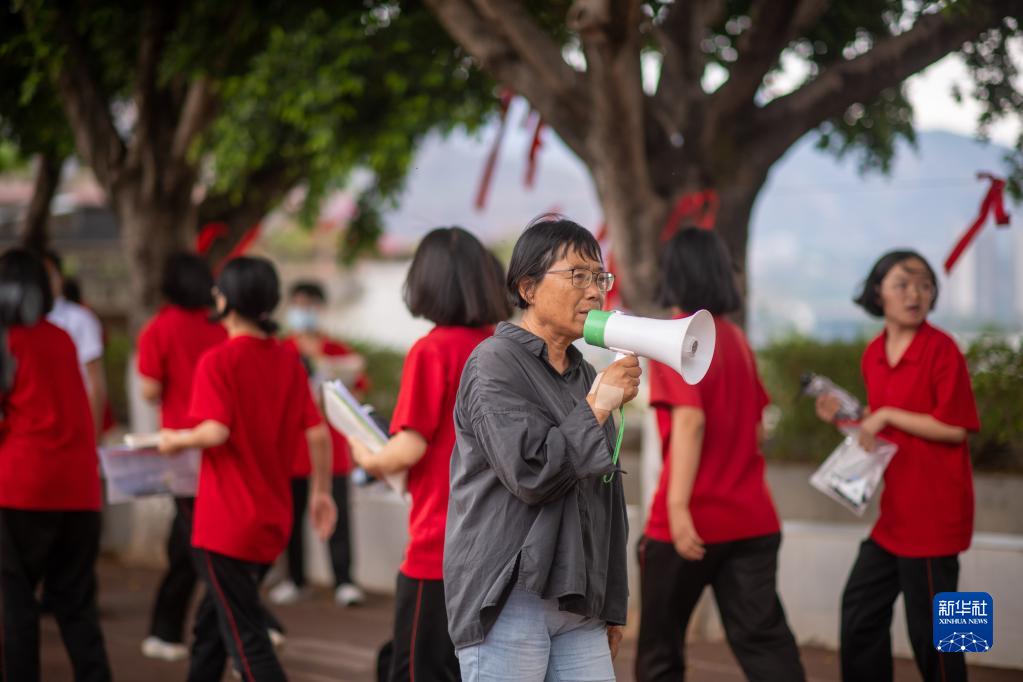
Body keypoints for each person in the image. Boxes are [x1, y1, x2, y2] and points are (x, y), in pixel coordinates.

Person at [443, 216, 637, 681]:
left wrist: (613, 602)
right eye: (578, 276)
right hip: (508, 596)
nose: (594, 292)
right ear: (527, 288)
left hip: (577, 597)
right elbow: (530, 473)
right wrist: (596, 408)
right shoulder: (493, 362)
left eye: (600, 277)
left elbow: (605, 497)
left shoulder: (584, 375)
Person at [634, 228, 805, 681]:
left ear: (673, 273)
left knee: (660, 653)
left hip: (688, 523)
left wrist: (676, 507)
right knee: (765, 644)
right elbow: (757, 426)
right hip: (752, 520)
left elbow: (691, 421)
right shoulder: (735, 339)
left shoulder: (677, 337)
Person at [159, 256, 337, 682]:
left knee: (247, 642)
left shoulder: (218, 360)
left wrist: (173, 439)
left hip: (225, 525)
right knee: (212, 629)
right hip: (271, 521)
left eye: (219, 290)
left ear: (229, 300)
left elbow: (215, 431)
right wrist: (321, 493)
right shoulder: (288, 361)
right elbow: (317, 434)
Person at [348, 226, 510, 682]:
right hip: (497, 548)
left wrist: (367, 457)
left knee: (417, 670)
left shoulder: (431, 351)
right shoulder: (500, 349)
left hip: (439, 544)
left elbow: (408, 447)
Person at [816, 250, 978, 682]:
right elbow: (882, 428)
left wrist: (884, 415)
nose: (916, 293)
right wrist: (846, 418)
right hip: (897, 516)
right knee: (860, 609)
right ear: (877, 293)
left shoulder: (943, 349)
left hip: (938, 514)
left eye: (925, 285)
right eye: (902, 284)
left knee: (943, 638)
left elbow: (955, 427)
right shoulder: (873, 354)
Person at [0, 248, 112, 682]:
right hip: (79, 490)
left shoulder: (7, 338)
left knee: (16, 602)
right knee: (76, 604)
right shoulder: (62, 336)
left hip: (23, 486)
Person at [137, 253, 228, 661]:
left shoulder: (160, 327)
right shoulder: (221, 327)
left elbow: (150, 390)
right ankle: (172, 629)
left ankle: (170, 630)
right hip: (220, 447)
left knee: (192, 539)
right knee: (191, 538)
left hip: (178, 445)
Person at [270, 280, 366, 608]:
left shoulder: (338, 351)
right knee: (292, 517)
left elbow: (358, 389)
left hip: (333, 451)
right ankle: (295, 579)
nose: (305, 310)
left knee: (337, 516)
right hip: (292, 451)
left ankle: (345, 581)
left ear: (322, 309)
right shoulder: (280, 350)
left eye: (311, 304)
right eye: (299, 304)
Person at [41, 250, 106, 439]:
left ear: (60, 278)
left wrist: (93, 435)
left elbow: (94, 381)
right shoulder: (17, 326)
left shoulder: (80, 319)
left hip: (72, 422)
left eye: (48, 275)